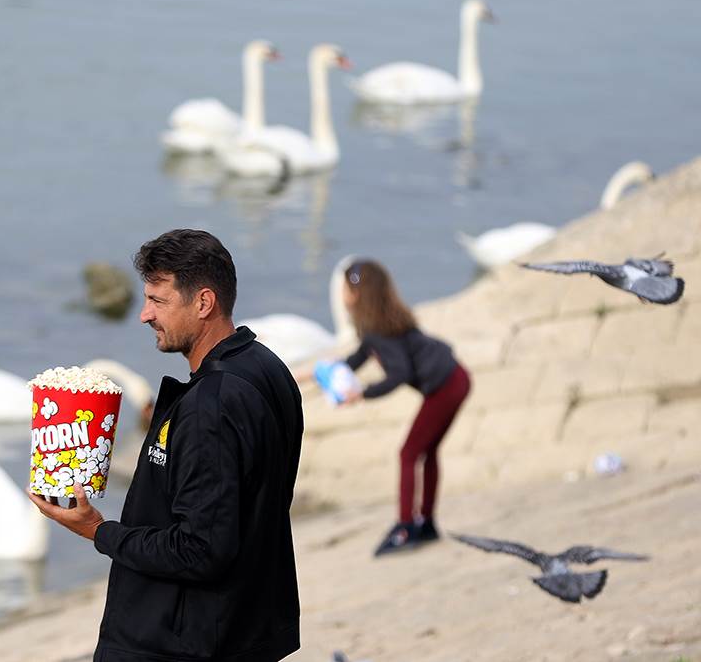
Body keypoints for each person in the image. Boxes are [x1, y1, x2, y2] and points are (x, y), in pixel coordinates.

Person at [31, 229, 304, 662]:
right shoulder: (269, 369)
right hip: (247, 626)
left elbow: (200, 550)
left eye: (158, 301)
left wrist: (98, 531)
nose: (143, 315)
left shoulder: (209, 407)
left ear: (203, 302)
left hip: (184, 642)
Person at [335, 259, 470, 557]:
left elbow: (400, 373)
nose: (342, 292)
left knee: (409, 453)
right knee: (427, 451)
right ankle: (427, 524)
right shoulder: (382, 323)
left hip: (446, 386)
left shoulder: (377, 331)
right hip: (455, 378)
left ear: (357, 293)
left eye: (345, 286)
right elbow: (357, 359)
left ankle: (406, 527)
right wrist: (327, 372)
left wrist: (362, 394)